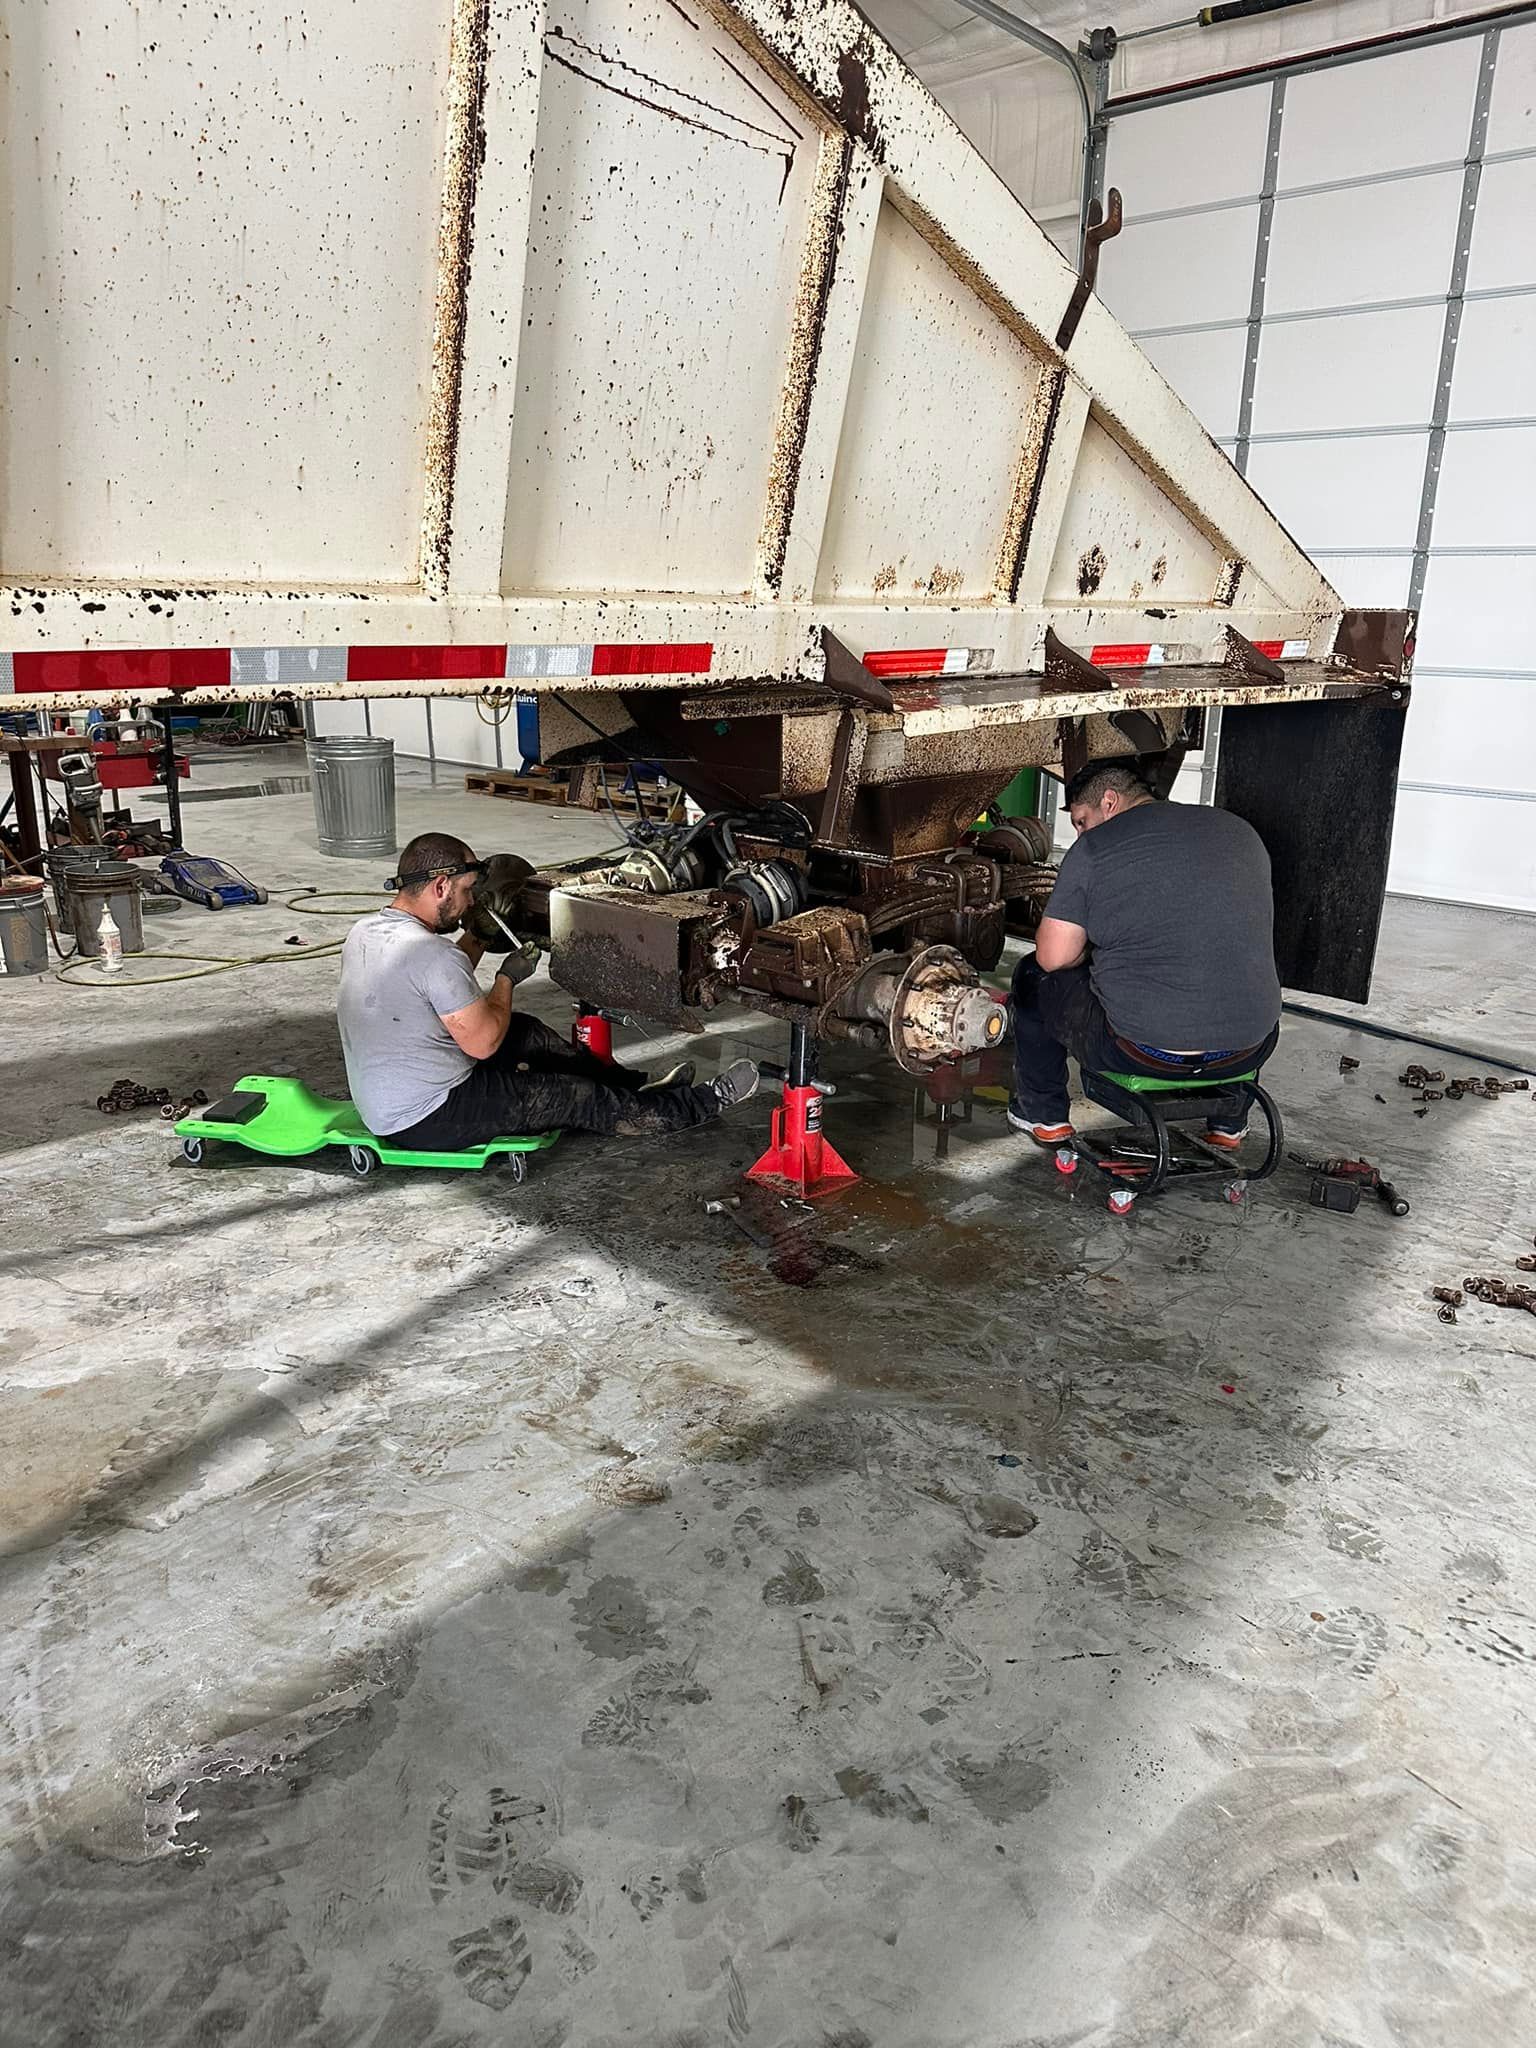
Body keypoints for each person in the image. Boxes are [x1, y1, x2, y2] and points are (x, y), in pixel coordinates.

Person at [336, 830, 758, 1148]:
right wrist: (507, 978)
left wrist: (479, 936)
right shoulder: (433, 955)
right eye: (466, 892)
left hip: (390, 1099)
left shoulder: (367, 932)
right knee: (575, 1097)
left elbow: (431, 981)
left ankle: (635, 1086)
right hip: (428, 1115)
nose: (471, 903)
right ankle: (701, 1104)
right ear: (441, 886)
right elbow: (482, 1044)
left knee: (525, 1032)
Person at [1009, 760, 1281, 1149]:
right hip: (1250, 1048)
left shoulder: (1095, 847)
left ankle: (1043, 1115)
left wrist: (1090, 956)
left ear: (1109, 802)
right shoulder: (1240, 831)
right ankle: (1228, 1123)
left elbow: (1052, 958)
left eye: (1081, 821)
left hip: (1140, 1051)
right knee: (1234, 971)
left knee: (1032, 976)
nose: (1080, 833)